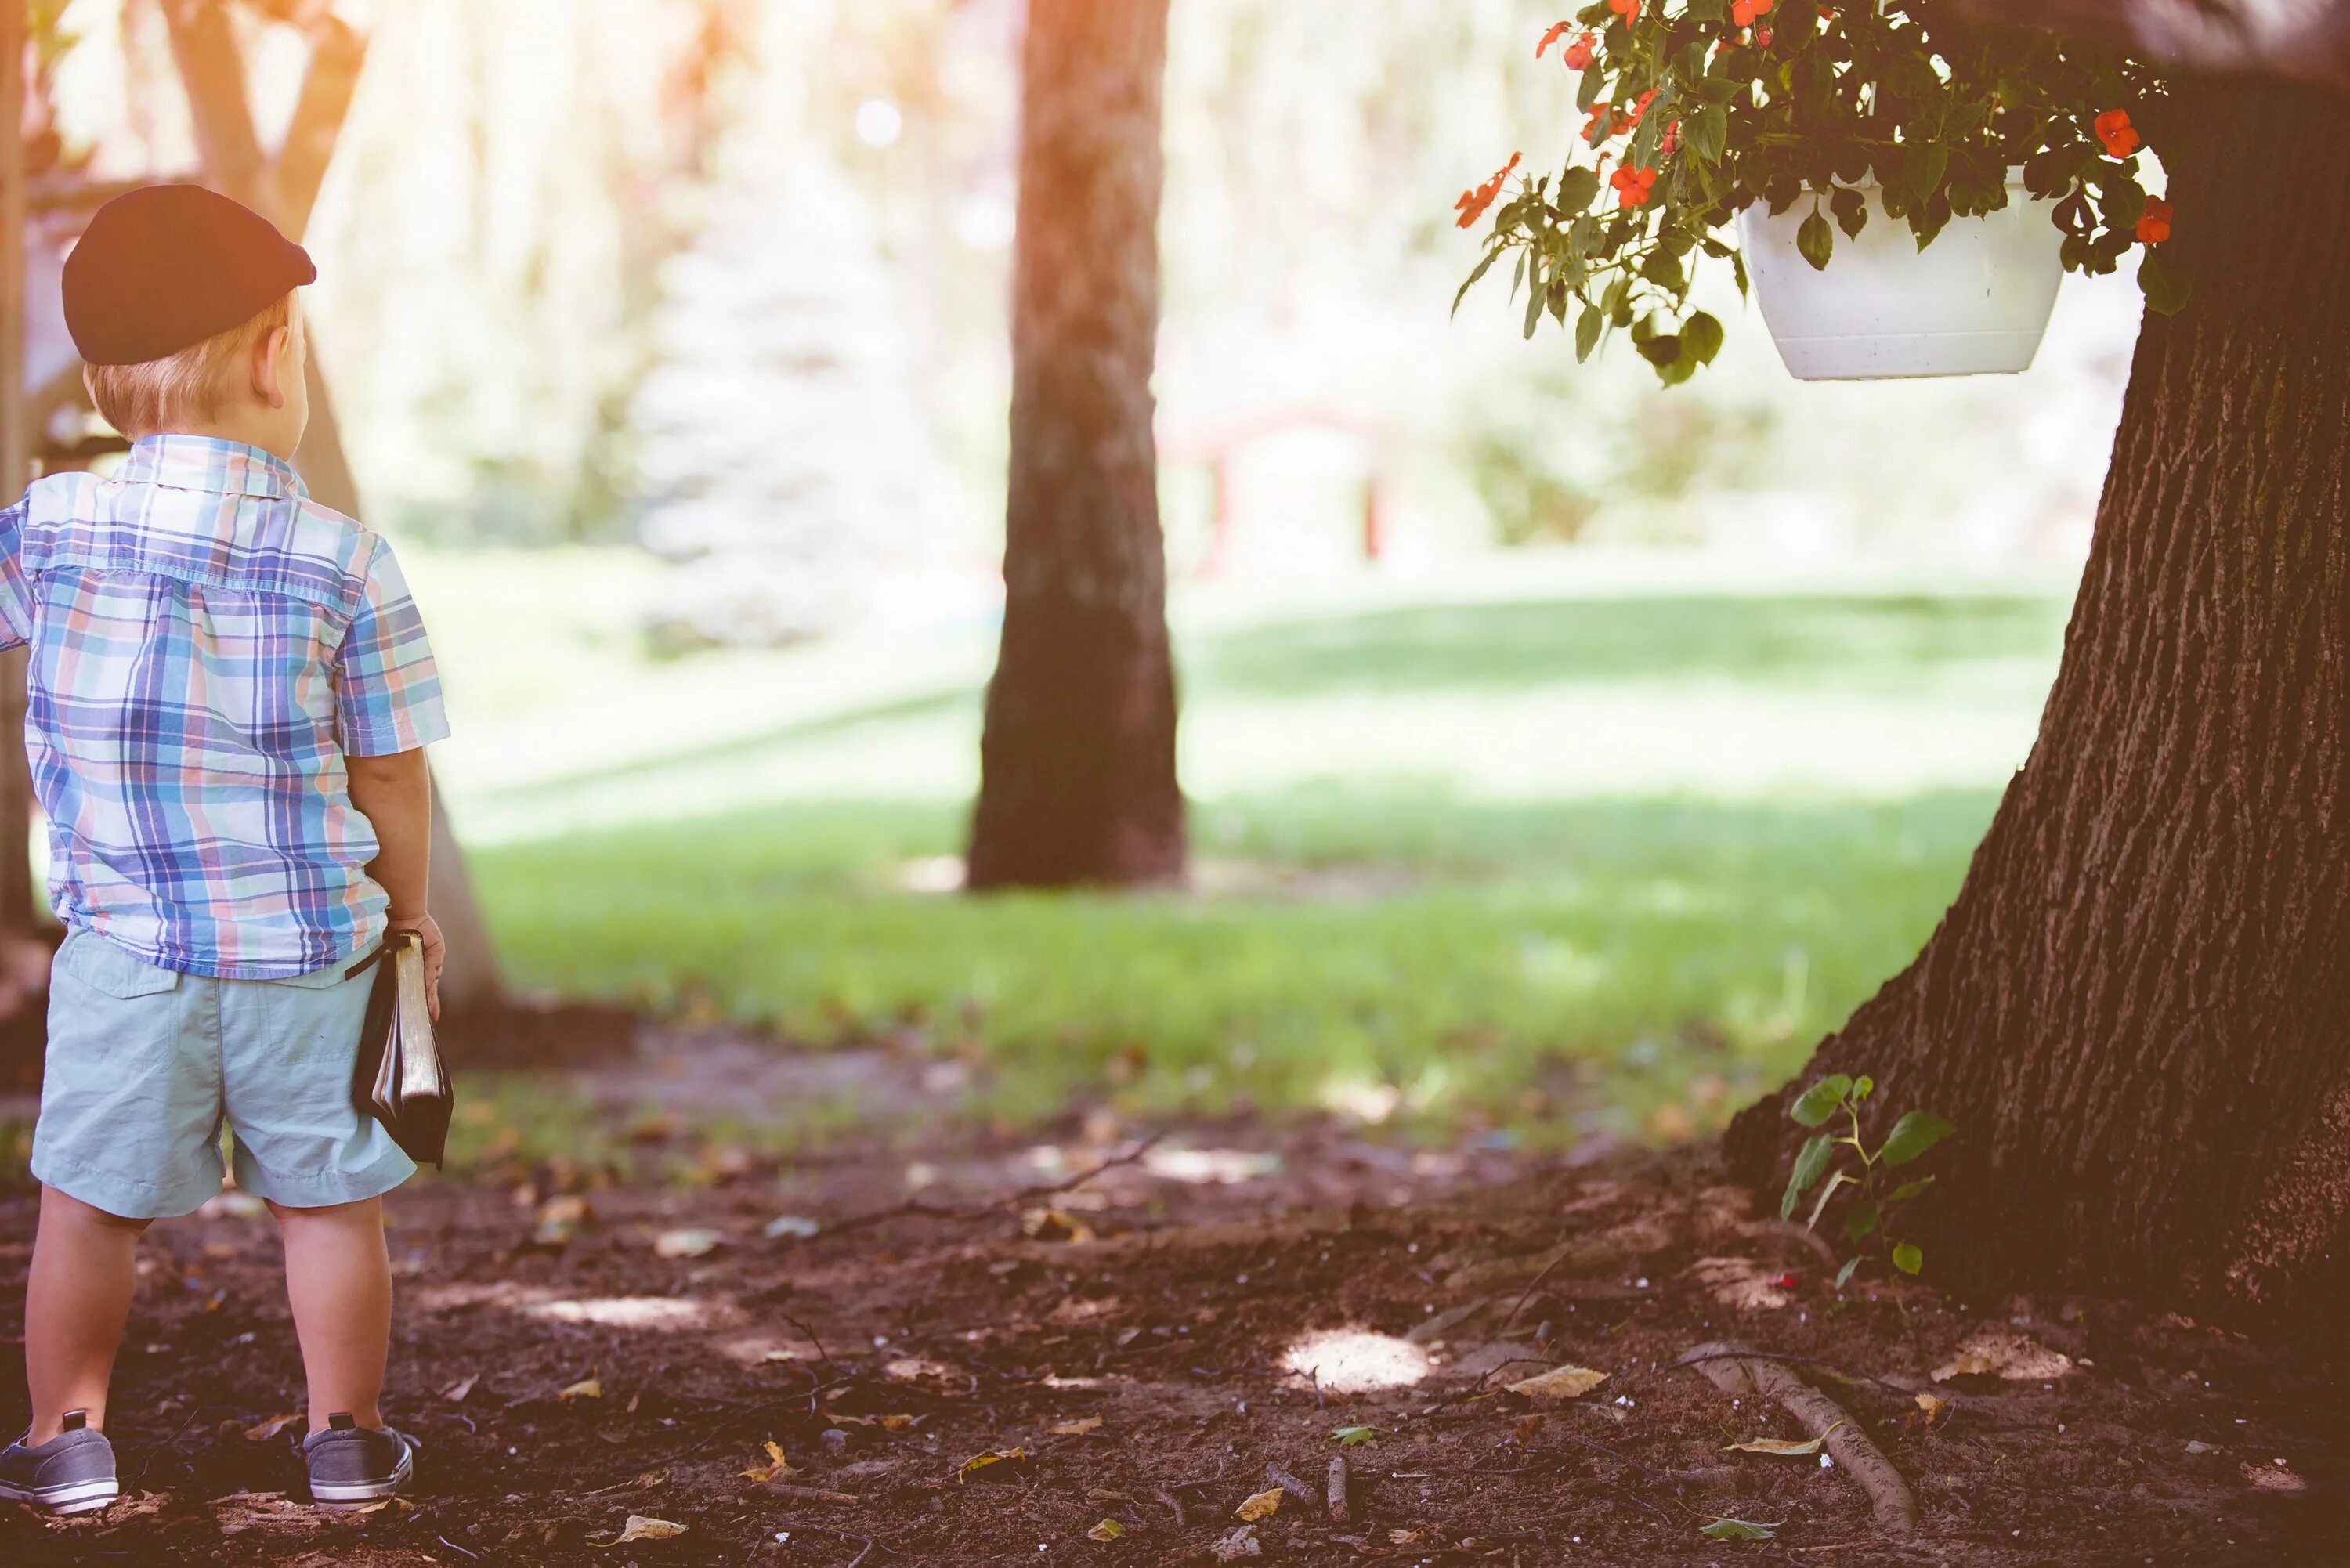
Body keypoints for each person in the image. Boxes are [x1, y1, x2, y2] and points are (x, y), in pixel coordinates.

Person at [0, 186, 450, 1515]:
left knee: (86, 1204)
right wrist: (407, 915)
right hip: (309, 952)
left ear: (102, 381)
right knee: (329, 1207)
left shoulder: (46, 530)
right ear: (273, 360)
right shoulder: (347, 563)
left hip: (126, 952)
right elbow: (392, 767)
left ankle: (64, 1438)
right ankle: (348, 1439)